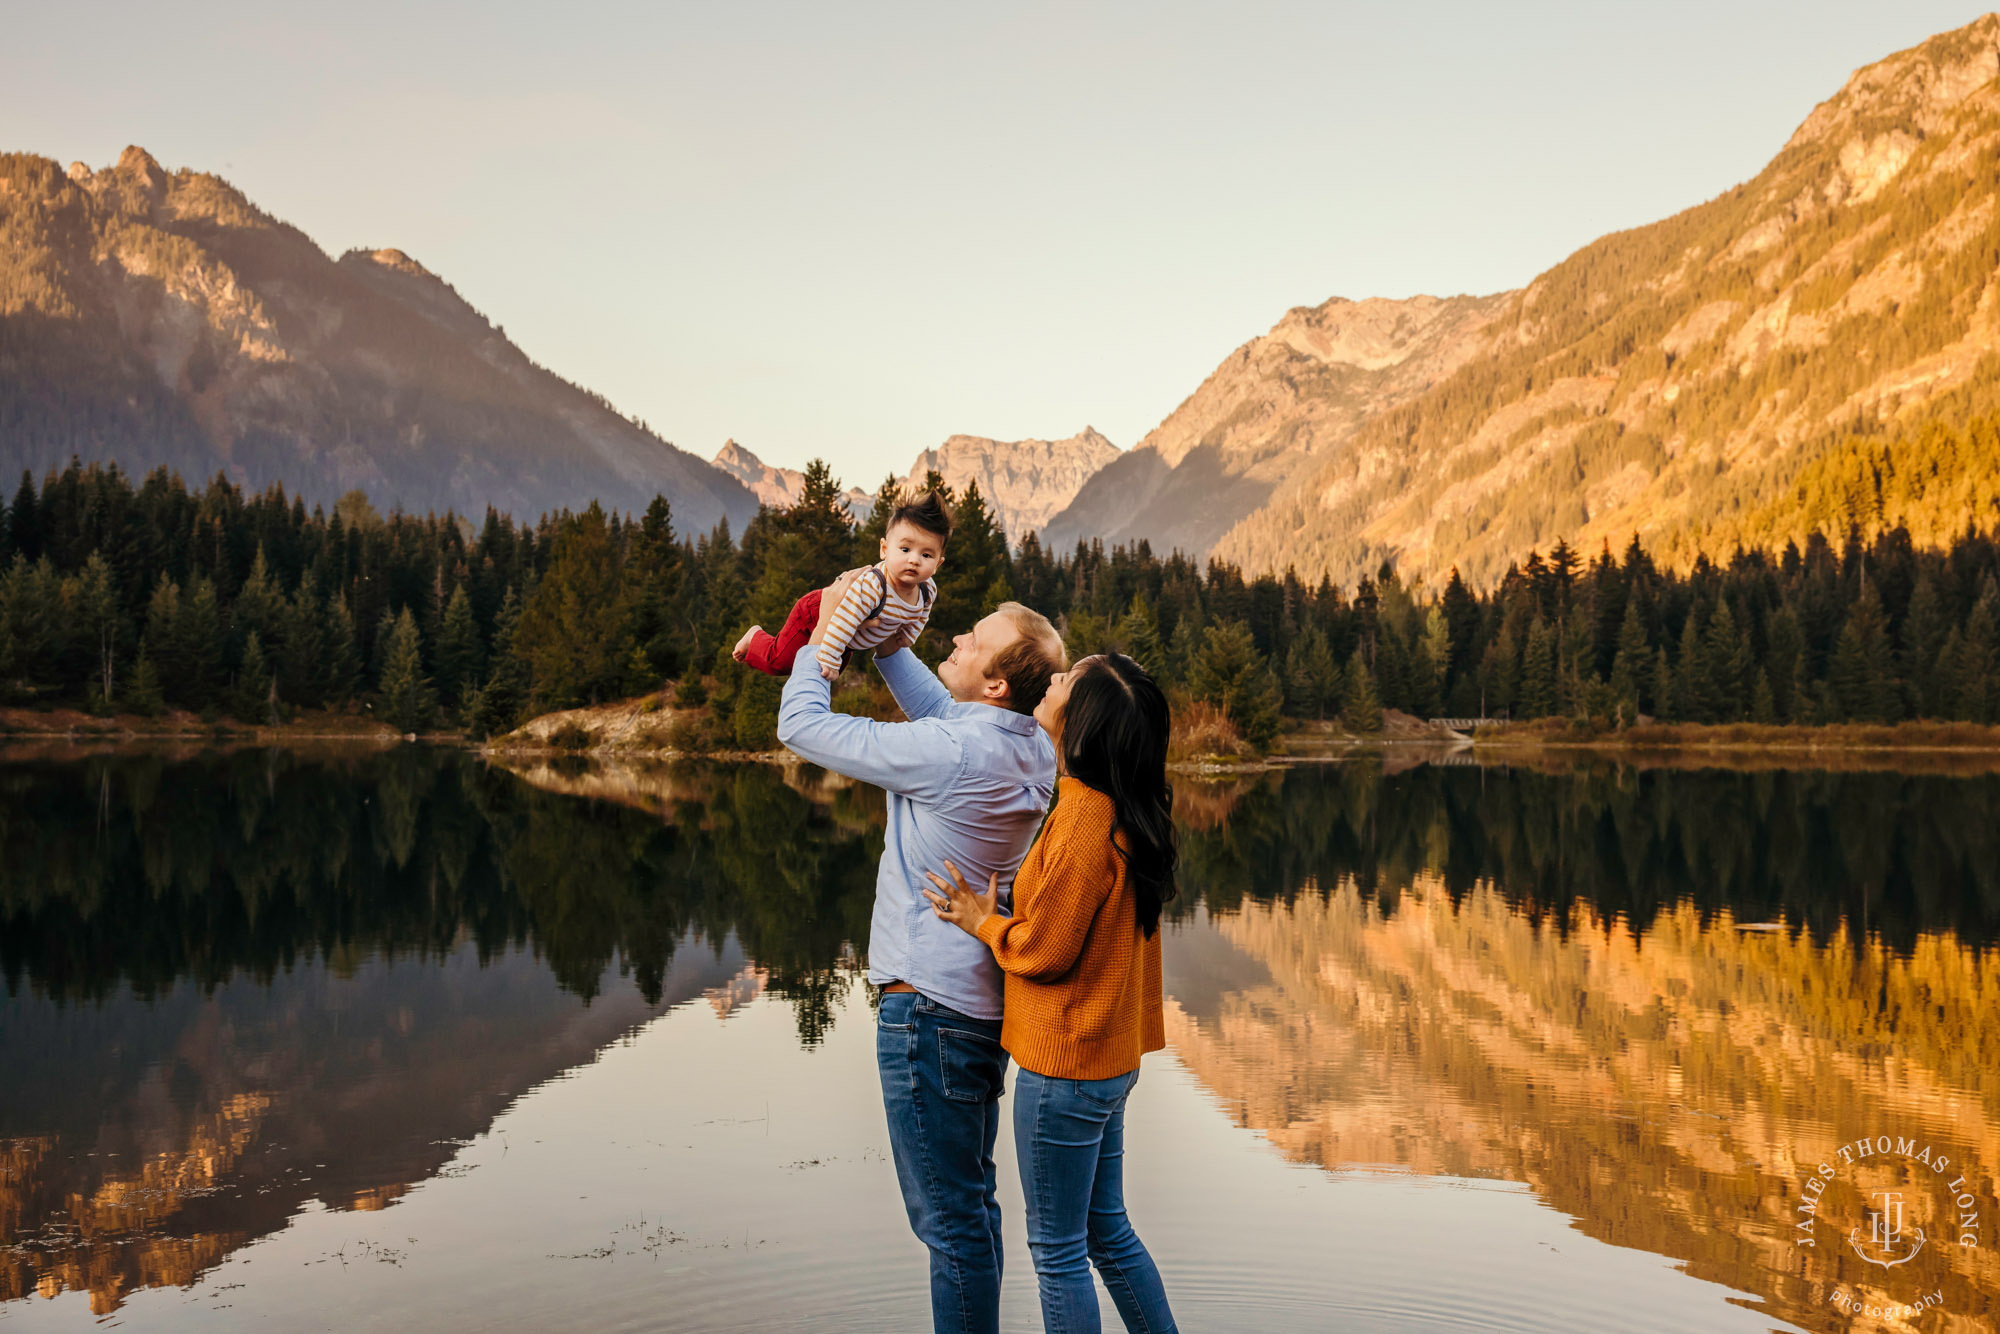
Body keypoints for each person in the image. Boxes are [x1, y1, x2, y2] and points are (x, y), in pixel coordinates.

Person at [775, 573, 1068, 1334]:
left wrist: (825, 639)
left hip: (926, 1016)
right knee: (972, 1211)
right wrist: (889, 639)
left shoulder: (951, 753)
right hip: (976, 1009)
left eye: (975, 639)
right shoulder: (1031, 745)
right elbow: (947, 712)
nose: (959, 637)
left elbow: (803, 729)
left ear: (997, 682)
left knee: (950, 1227)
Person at [923, 652, 1180, 1334]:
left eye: (1066, 681)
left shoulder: (1083, 821)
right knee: (1108, 1234)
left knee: (1058, 1250)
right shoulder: (1128, 812)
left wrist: (985, 922)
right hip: (1107, 1060)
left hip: (1065, 1066)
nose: (1053, 681)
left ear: (1079, 721)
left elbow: (1047, 949)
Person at [734, 491, 949, 678]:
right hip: (819, 613)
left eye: (926, 554)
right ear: (884, 550)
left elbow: (923, 613)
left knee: (831, 670)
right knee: (781, 662)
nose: (914, 559)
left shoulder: (927, 589)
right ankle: (755, 638)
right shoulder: (875, 587)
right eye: (905, 549)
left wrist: (910, 633)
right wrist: (828, 657)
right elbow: (843, 620)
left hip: (847, 635)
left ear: (938, 563)